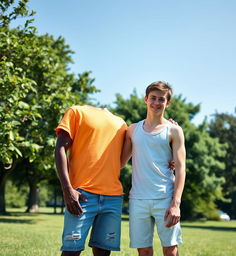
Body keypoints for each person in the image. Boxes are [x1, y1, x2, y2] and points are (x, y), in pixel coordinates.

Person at [121, 81, 186, 256]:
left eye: (161, 99)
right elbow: (120, 163)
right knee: (143, 251)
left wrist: (176, 204)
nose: (156, 103)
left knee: (171, 250)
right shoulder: (132, 130)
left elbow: (181, 168)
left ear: (168, 103)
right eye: (153, 98)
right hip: (138, 199)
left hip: (165, 198)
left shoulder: (174, 131)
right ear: (146, 99)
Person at [55, 105, 127, 256]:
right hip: (81, 195)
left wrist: (169, 150)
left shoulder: (122, 124)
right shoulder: (77, 112)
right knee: (71, 251)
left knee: (103, 252)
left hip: (113, 198)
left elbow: (147, 136)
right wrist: (67, 190)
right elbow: (60, 147)